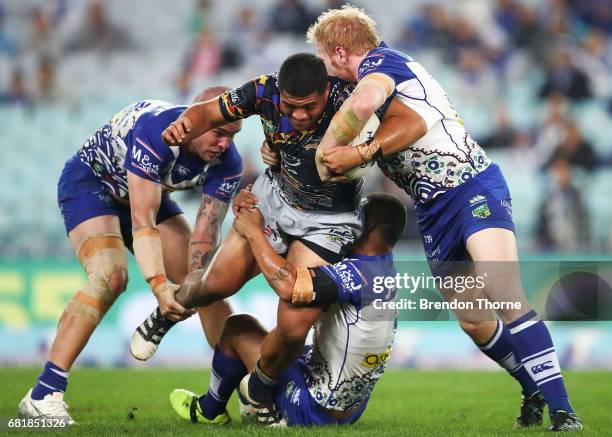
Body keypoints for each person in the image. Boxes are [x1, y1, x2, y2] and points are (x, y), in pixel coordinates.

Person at [307, 5, 582, 432]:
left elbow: (369, 103)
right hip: (434, 209)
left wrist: (338, 153)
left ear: (341, 52)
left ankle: (564, 412)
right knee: (474, 320)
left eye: (326, 60)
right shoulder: (364, 81)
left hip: (472, 186)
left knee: (504, 294)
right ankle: (533, 387)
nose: (326, 70)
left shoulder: (382, 63)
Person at [130, 53, 414, 360]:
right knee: (214, 285)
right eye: (290, 106)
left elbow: (412, 120)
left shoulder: (350, 96)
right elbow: (208, 112)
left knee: (293, 325)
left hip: (329, 222)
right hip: (273, 200)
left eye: (309, 106)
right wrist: (185, 123)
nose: (300, 114)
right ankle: (166, 314)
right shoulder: (263, 90)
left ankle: (261, 394)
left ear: (324, 91)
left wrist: (364, 152)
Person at [18, 88, 242, 424]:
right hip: (92, 185)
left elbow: (205, 238)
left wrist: (194, 283)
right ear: (196, 119)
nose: (225, 144)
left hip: (144, 193)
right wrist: (159, 286)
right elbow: (143, 222)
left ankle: (250, 391)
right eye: (219, 133)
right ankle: (43, 394)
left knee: (208, 285)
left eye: (232, 135)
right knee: (111, 276)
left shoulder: (228, 163)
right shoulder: (160, 132)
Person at [168, 192, 405, 427]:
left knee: (237, 327)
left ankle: (212, 410)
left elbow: (289, 286)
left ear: (369, 224)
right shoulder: (384, 270)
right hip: (348, 408)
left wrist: (252, 232)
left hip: (313, 408)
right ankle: (256, 397)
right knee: (289, 341)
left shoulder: (357, 274)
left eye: (357, 214)